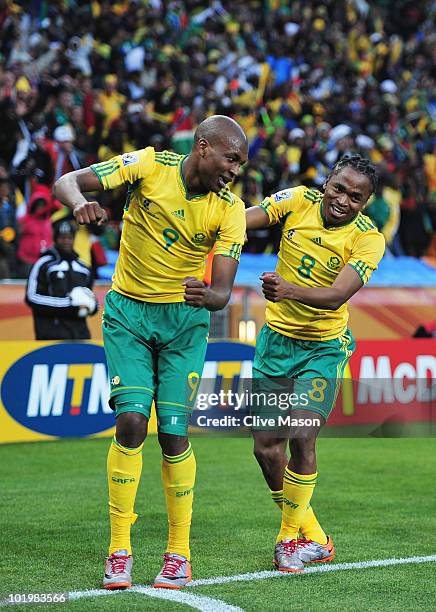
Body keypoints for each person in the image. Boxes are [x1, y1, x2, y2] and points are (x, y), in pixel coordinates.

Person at [53, 115, 248, 589]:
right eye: (230, 158)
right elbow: (66, 182)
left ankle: (177, 553)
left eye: (240, 163)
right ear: (203, 147)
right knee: (133, 421)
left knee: (174, 432)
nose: (235, 170)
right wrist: (81, 204)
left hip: (183, 323)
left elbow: (222, 292)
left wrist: (209, 295)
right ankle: (119, 548)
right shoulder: (148, 165)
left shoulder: (231, 209)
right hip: (129, 316)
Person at [245, 154, 385, 573]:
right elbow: (249, 218)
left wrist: (287, 289)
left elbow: (337, 295)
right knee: (267, 449)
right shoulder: (297, 200)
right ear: (326, 182)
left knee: (302, 433)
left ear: (366, 203)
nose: (343, 200)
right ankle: (316, 536)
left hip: (323, 347)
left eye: (356, 197)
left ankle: (288, 538)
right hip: (275, 343)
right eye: (339, 188)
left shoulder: (368, 239)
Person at [25, 219, 98, 340]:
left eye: (69, 237)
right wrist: (68, 304)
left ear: (74, 239)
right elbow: (32, 297)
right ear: (55, 239)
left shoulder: (83, 268)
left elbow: (89, 295)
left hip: (80, 336)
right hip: (51, 335)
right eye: (62, 237)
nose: (66, 241)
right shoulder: (44, 263)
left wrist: (92, 306)